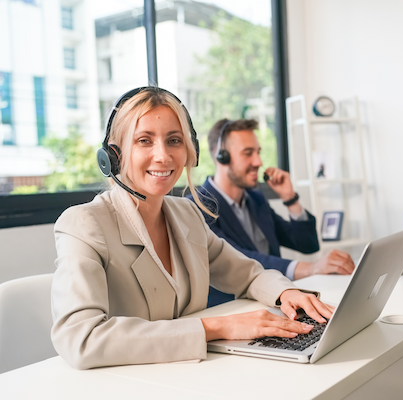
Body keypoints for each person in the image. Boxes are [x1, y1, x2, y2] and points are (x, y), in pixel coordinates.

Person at [51, 87, 333, 370]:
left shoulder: (186, 213)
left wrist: (287, 293)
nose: (163, 156)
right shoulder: (84, 224)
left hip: (189, 373)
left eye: (174, 140)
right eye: (144, 140)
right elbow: (81, 339)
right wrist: (220, 327)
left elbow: (246, 274)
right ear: (114, 155)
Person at [190, 118, 355, 307]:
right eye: (248, 153)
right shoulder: (197, 207)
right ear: (222, 157)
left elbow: (307, 244)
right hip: (236, 307)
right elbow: (238, 259)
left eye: (258, 152)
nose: (258, 162)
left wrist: (290, 198)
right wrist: (311, 268)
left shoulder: (256, 199)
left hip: (275, 300)